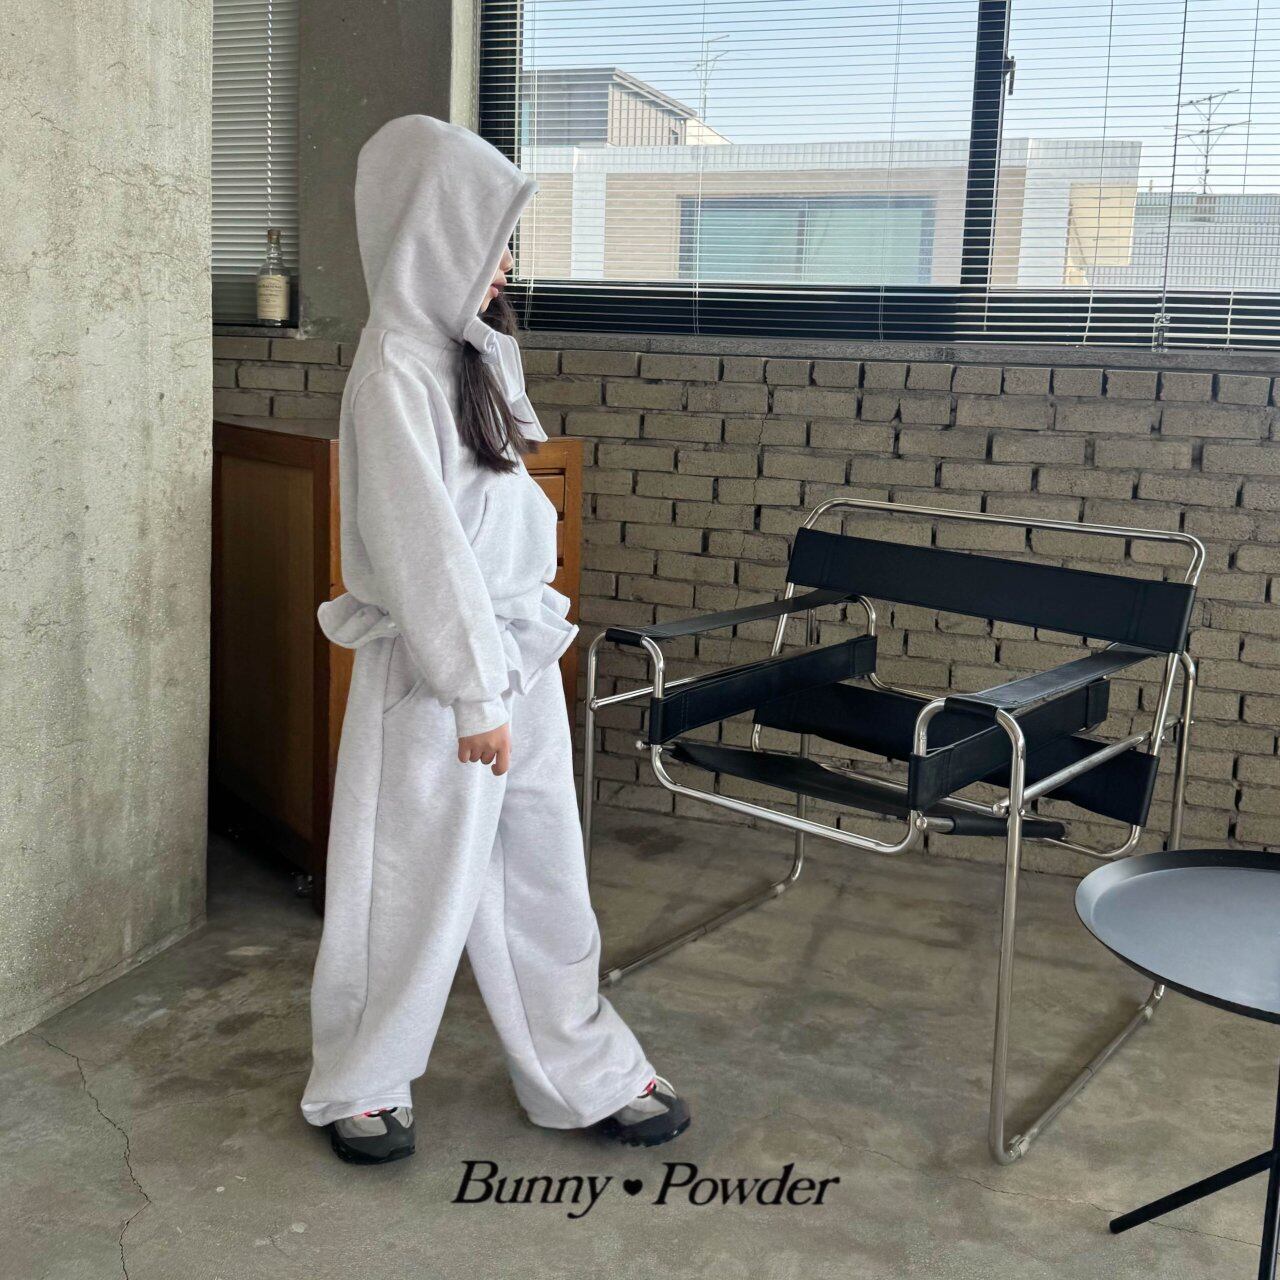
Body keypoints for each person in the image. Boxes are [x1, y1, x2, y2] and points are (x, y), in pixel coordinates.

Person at [299, 115, 690, 1165]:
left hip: (516, 652)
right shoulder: (392, 371)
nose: (505, 262)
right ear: (429, 233)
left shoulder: (473, 355)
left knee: (543, 873)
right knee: (406, 887)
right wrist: (473, 692)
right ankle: (362, 1079)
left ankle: (582, 1068)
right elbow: (421, 549)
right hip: (437, 675)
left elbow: (505, 514)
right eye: (489, 237)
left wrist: (509, 670)